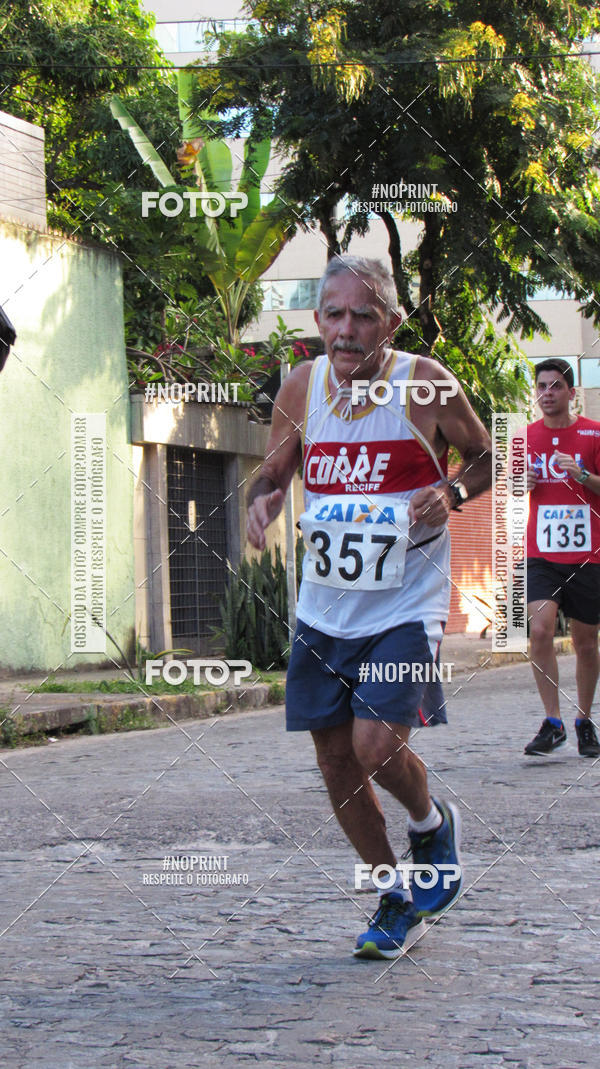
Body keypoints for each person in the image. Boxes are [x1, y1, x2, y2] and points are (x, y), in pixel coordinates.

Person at [246, 255, 492, 959]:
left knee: (375, 744)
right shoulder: (302, 387)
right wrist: (263, 499)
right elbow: (274, 470)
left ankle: (429, 821)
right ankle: (391, 894)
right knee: (334, 762)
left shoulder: (427, 383)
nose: (346, 331)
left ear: (391, 319)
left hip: (403, 606)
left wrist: (452, 496)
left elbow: (483, 457)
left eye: (362, 315)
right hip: (325, 612)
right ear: (318, 318)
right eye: (333, 314)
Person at [524, 358, 600, 758]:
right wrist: (523, 482)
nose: (547, 393)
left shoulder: (593, 433)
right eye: (542, 386)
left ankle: (583, 721)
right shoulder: (525, 437)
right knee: (540, 631)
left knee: (586, 642)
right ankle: (552, 722)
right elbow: (513, 484)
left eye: (556, 386)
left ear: (572, 393)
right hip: (542, 553)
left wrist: (583, 476)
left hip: (589, 554)